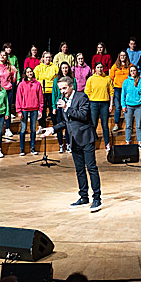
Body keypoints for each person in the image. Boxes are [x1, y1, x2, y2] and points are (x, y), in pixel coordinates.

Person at [42, 80, 102, 212]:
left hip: (86, 137)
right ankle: (83, 196)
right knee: (79, 170)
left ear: (71, 86)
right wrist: (52, 129)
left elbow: (83, 115)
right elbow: (65, 122)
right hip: (74, 139)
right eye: (60, 89)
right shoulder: (63, 100)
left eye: (64, 88)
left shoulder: (82, 97)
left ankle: (97, 198)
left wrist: (66, 108)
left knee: (91, 168)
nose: (62, 91)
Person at [85, 62, 115, 150]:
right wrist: (90, 103)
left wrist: (111, 104)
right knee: (93, 124)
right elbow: (87, 92)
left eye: (101, 67)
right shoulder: (91, 79)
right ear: (95, 69)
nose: (100, 69)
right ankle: (92, 143)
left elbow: (111, 92)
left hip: (104, 104)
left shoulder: (107, 78)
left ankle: (107, 143)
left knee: (105, 125)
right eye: (98, 67)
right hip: (94, 103)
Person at [0, 51, 18, 138]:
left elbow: (13, 80)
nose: (2, 56)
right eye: (1, 55)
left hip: (7, 90)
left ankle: (7, 128)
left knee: (7, 109)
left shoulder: (9, 67)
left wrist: (15, 72)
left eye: (4, 55)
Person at [15, 66, 44, 156]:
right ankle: (22, 149)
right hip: (24, 109)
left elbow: (40, 98)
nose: (30, 73)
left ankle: (32, 148)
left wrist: (41, 109)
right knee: (23, 130)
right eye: (28, 72)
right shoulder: (21, 84)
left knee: (33, 130)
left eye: (31, 72)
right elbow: (18, 98)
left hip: (34, 109)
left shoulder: (37, 84)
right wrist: (19, 111)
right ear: (25, 74)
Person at [121, 64, 141, 148]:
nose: (133, 72)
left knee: (138, 125)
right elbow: (123, 95)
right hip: (128, 106)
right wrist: (123, 105)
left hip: (138, 106)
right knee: (128, 125)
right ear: (129, 72)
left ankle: (139, 142)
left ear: (137, 71)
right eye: (131, 71)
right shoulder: (126, 82)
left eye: (134, 70)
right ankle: (128, 141)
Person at [53, 62, 75, 151]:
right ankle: (61, 145)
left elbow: (74, 92)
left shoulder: (72, 80)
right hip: (59, 104)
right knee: (59, 125)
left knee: (68, 125)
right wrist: (54, 106)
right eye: (63, 68)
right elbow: (54, 94)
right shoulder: (56, 80)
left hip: (69, 105)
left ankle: (68, 144)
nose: (64, 70)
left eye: (66, 68)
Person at [109, 50, 132, 132]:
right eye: (121, 55)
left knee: (127, 106)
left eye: (124, 55)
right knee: (118, 106)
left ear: (126, 57)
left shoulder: (130, 66)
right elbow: (110, 78)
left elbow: (133, 76)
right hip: (117, 88)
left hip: (127, 88)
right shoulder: (115, 66)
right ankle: (116, 124)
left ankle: (128, 125)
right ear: (119, 57)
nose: (122, 57)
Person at [33, 51, 58, 125]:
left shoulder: (55, 67)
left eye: (49, 57)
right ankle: (41, 125)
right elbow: (35, 79)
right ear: (43, 58)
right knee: (42, 109)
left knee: (52, 108)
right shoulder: (38, 68)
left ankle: (55, 125)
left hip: (51, 91)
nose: (48, 59)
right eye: (46, 57)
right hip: (42, 91)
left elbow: (57, 78)